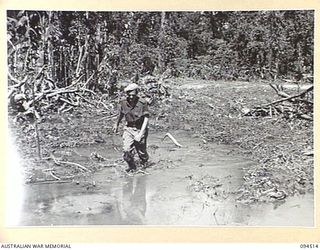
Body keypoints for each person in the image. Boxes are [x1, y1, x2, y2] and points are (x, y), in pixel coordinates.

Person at [113, 83, 149, 172]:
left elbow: (146, 119)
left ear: (137, 93)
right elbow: (121, 113)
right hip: (128, 128)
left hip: (140, 128)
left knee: (141, 152)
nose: (131, 97)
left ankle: (145, 163)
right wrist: (116, 124)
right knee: (126, 150)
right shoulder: (123, 102)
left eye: (133, 95)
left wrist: (140, 134)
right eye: (129, 95)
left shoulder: (142, 102)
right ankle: (132, 167)